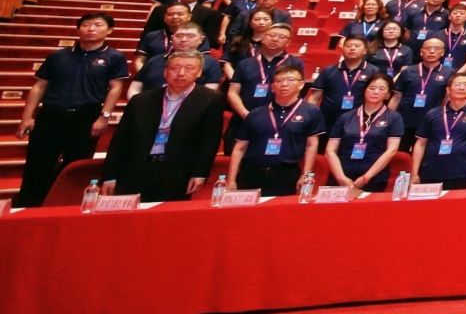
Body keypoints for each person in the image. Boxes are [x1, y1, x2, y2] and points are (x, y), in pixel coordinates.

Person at [17, 12, 130, 206]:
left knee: (75, 165)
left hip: (86, 116)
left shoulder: (114, 57)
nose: (91, 29)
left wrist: (104, 117)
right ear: (78, 29)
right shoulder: (58, 56)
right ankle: (28, 205)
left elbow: (115, 88)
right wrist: (27, 117)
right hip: (50, 115)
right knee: (37, 163)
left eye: (98, 25)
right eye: (86, 25)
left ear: (109, 30)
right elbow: (39, 86)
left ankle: (65, 205)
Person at [100, 49, 225, 202]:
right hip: (136, 168)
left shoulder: (210, 99)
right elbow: (120, 140)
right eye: (175, 68)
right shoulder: (141, 100)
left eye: (189, 68)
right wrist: (110, 175)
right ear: (165, 72)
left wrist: (200, 173)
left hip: (178, 170)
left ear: (199, 73)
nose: (181, 73)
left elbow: (210, 140)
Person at [228, 65, 321, 196]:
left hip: (286, 173)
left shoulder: (311, 112)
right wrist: (231, 180)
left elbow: (311, 146)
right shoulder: (255, 113)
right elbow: (239, 148)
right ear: (272, 87)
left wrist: (305, 175)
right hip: (251, 172)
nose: (284, 84)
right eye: (279, 80)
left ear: (301, 85)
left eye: (290, 79)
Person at [324, 74, 405, 194]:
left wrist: (366, 178)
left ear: (388, 95)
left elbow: (391, 151)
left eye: (381, 89)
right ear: (364, 90)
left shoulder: (394, 118)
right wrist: (341, 177)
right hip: (341, 175)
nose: (375, 92)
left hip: (373, 177)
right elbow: (330, 151)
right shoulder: (346, 117)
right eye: (372, 88)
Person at [412, 74, 466, 190]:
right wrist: (414, 173)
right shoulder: (432, 114)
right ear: (448, 89)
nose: (461, 88)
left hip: (462, 173)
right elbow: (420, 144)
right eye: (457, 84)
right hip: (430, 172)